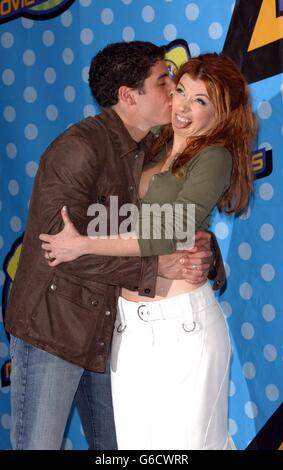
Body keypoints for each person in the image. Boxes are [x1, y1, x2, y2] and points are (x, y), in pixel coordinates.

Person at [4, 42, 223, 450]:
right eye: (164, 80)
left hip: (111, 331)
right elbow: (60, 252)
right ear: (128, 96)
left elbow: (171, 220)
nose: (174, 89)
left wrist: (204, 253)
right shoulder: (78, 149)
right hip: (54, 328)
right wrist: (156, 269)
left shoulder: (154, 149)